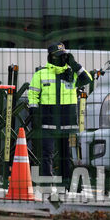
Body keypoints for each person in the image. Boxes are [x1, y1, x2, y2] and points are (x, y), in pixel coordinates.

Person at [28, 42, 93, 186]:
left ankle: (67, 182)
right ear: (51, 57)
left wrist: (74, 64)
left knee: (66, 155)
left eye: (64, 56)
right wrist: (35, 113)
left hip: (67, 122)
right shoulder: (41, 74)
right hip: (47, 121)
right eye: (58, 56)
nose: (61, 59)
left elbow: (88, 79)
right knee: (47, 154)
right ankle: (47, 182)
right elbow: (32, 95)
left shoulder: (71, 73)